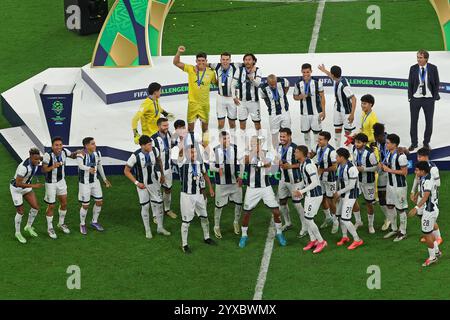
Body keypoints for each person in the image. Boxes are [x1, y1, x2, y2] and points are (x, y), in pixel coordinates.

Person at [239, 136, 286, 248]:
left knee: (276, 211)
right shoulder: (247, 154)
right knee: (246, 213)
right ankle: (244, 235)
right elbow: (247, 161)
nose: (253, 145)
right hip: (252, 188)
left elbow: (268, 165)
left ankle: (279, 233)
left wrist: (260, 154)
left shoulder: (267, 153)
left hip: (266, 187)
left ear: (261, 144)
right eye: (252, 143)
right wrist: (255, 151)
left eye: (255, 143)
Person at [124, 135, 170, 239]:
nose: (151, 146)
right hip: (142, 185)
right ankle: (148, 230)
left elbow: (159, 161)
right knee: (145, 206)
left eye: (151, 144)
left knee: (159, 204)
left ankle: (160, 228)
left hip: (154, 182)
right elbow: (126, 171)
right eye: (149, 144)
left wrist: (162, 175)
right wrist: (136, 183)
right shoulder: (135, 156)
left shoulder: (154, 150)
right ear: (143, 145)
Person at [173, 46, 217, 145]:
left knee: (205, 128)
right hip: (192, 103)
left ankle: (205, 144)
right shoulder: (190, 68)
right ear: (196, 61)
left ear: (206, 61)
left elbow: (217, 84)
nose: (201, 62)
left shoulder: (211, 72)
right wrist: (179, 52)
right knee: (190, 128)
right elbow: (176, 63)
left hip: (204, 104)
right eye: (199, 60)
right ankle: (191, 145)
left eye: (203, 60)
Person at [177, 144, 216, 254]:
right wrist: (181, 145)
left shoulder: (200, 163)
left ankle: (207, 237)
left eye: (195, 152)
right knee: (186, 222)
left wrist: (210, 188)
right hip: (186, 196)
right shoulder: (182, 163)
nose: (193, 154)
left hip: (199, 195)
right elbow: (180, 154)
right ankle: (184, 244)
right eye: (191, 152)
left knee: (204, 217)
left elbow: (205, 175)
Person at [42, 136, 81, 239]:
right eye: (56, 145)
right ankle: (50, 228)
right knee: (51, 206)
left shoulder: (64, 151)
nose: (59, 147)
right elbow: (44, 170)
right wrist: (53, 166)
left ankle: (61, 223)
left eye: (60, 145)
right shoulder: (47, 155)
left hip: (61, 181)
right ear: (52, 146)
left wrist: (77, 153)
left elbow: (72, 156)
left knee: (64, 203)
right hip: (50, 183)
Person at [293, 146, 327, 254]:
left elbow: (315, 182)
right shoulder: (303, 164)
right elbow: (306, 180)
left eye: (296, 152)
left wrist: (301, 192)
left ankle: (321, 241)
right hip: (309, 195)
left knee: (308, 218)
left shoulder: (308, 165)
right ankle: (313, 241)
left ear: (302, 154)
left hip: (315, 195)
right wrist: (301, 188)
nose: (295, 153)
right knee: (307, 218)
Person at [209, 131, 243, 239]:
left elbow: (241, 162)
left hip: (234, 183)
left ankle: (236, 222)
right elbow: (210, 166)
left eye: (228, 139)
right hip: (221, 184)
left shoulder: (235, 148)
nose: (227, 141)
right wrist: (217, 169)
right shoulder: (215, 150)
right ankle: (216, 226)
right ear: (220, 139)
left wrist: (241, 176)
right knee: (219, 206)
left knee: (239, 203)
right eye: (224, 139)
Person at [408, 161, 441, 267]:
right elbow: (424, 192)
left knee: (427, 235)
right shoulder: (425, 178)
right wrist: (417, 194)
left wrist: (416, 208)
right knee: (429, 233)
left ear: (422, 171)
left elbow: (426, 196)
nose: (415, 171)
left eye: (417, 170)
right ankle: (436, 252)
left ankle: (432, 257)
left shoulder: (427, 181)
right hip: (430, 209)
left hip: (429, 211)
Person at [77, 137, 112, 235]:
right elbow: (80, 165)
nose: (95, 145)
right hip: (84, 183)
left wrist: (104, 179)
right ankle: (82, 224)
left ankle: (94, 221)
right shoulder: (81, 154)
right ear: (86, 145)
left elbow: (99, 166)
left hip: (95, 182)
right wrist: (89, 168)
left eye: (94, 143)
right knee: (85, 205)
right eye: (92, 144)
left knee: (99, 202)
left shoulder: (97, 154)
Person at [407, 49, 440, 151]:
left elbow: (437, 83)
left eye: (420, 57)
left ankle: (426, 143)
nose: (418, 59)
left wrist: (434, 97)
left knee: (429, 122)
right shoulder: (413, 68)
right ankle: (414, 143)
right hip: (415, 99)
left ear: (426, 58)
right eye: (417, 57)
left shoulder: (433, 68)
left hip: (429, 99)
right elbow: (410, 84)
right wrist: (410, 97)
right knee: (413, 122)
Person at [276, 128, 306, 236]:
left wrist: (290, 166)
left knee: (297, 204)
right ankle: (288, 222)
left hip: (295, 180)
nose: (282, 138)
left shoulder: (295, 148)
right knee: (282, 202)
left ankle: (305, 226)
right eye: (281, 136)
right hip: (283, 179)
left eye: (284, 136)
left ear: (289, 136)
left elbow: (303, 163)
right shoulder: (279, 147)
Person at [318, 64, 356, 148]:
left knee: (348, 133)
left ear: (333, 75)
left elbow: (354, 99)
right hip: (338, 109)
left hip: (346, 111)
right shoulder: (337, 79)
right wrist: (324, 70)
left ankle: (349, 153)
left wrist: (352, 114)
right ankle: (337, 149)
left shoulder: (344, 86)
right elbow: (331, 76)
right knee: (337, 129)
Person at [410, 147, 442, 245]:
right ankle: (429, 233)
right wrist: (413, 191)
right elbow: (417, 179)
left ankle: (438, 237)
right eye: (417, 156)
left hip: (430, 196)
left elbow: (438, 184)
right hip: (422, 194)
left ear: (426, 156)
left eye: (420, 157)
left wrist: (427, 190)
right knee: (421, 215)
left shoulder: (433, 168)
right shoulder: (420, 167)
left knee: (429, 215)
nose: (418, 158)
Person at [10, 148, 43, 244]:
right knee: (20, 212)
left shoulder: (37, 159)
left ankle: (28, 226)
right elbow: (18, 183)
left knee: (35, 207)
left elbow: (43, 158)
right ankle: (17, 233)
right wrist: (34, 186)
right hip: (16, 189)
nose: (37, 161)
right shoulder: (23, 167)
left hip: (26, 187)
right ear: (30, 157)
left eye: (38, 159)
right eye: (35, 159)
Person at [334, 148, 364, 250]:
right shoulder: (340, 166)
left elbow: (352, 185)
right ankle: (345, 236)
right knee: (339, 216)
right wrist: (337, 191)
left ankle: (357, 239)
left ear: (342, 157)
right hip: (343, 194)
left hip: (350, 195)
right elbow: (338, 179)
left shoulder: (352, 168)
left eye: (337, 156)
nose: (335, 158)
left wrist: (338, 192)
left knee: (345, 218)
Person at [309, 131, 339, 233]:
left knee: (331, 201)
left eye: (321, 139)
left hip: (330, 179)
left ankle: (335, 221)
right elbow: (311, 155)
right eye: (318, 139)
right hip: (320, 178)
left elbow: (335, 167)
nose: (318, 141)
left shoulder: (332, 151)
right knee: (322, 198)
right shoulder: (317, 147)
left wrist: (323, 170)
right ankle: (328, 217)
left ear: (326, 140)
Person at [381, 134, 408, 242]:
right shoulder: (388, 153)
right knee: (390, 206)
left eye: (388, 143)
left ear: (394, 144)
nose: (386, 144)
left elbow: (404, 172)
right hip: (390, 185)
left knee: (401, 209)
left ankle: (403, 232)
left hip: (399, 187)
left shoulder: (401, 156)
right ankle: (394, 228)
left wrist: (389, 170)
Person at [209, 52, 242, 138]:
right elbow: (205, 64)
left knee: (232, 122)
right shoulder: (216, 66)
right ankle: (222, 139)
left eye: (227, 59)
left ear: (230, 60)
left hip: (232, 99)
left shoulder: (236, 65)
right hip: (221, 98)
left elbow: (248, 64)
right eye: (223, 59)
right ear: (220, 60)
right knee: (220, 123)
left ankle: (233, 138)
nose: (225, 61)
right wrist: (198, 68)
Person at [293, 63, 326, 150]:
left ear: (311, 71)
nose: (306, 74)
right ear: (301, 72)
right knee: (306, 134)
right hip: (304, 114)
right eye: (304, 72)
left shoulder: (317, 82)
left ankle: (316, 152)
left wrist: (323, 111)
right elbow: (295, 97)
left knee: (317, 135)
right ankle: (308, 150)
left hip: (316, 113)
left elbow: (322, 97)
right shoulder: (298, 83)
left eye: (307, 72)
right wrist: (300, 96)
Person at [351, 133, 378, 234]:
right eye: (355, 142)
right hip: (356, 180)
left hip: (368, 182)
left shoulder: (370, 153)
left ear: (365, 143)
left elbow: (376, 167)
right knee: (353, 200)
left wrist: (364, 169)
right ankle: (358, 221)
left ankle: (370, 225)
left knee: (369, 203)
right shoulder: (354, 149)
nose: (356, 144)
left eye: (359, 142)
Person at [151, 118, 177, 220]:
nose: (166, 127)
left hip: (168, 168)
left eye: (167, 125)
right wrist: (161, 174)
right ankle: (155, 215)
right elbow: (155, 158)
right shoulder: (153, 140)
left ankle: (167, 209)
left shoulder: (169, 135)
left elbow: (173, 147)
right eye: (164, 126)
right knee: (156, 192)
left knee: (168, 189)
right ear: (158, 126)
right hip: (157, 171)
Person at [232, 53, 263, 134]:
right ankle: (243, 140)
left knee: (257, 122)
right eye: (246, 60)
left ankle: (259, 139)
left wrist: (251, 77)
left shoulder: (257, 70)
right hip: (242, 102)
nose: (247, 62)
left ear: (253, 61)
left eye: (249, 60)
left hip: (254, 102)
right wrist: (234, 97)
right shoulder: (240, 70)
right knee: (242, 122)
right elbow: (233, 84)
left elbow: (257, 84)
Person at [260, 74, 291, 149]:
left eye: (274, 84)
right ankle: (276, 151)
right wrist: (270, 106)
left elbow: (287, 85)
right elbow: (264, 98)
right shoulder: (263, 88)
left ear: (276, 80)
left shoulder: (283, 81)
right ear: (267, 82)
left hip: (285, 112)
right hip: (273, 114)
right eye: (271, 85)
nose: (273, 86)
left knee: (287, 132)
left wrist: (284, 95)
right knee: (274, 134)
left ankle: (287, 149)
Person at [373, 123, 391, 231]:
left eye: (377, 137)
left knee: (388, 198)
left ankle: (393, 221)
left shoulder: (390, 141)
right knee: (381, 197)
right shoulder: (379, 141)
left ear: (381, 135)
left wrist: (384, 164)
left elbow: (392, 157)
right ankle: (388, 218)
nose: (376, 139)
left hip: (390, 172)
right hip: (382, 172)